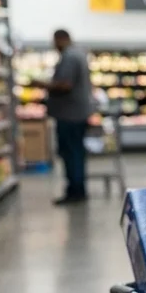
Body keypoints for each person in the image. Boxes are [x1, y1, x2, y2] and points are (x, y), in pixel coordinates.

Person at [47, 28, 93, 205]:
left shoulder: (70, 56)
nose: (53, 45)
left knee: (71, 153)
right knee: (76, 152)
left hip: (70, 115)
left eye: (54, 41)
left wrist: (44, 85)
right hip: (76, 113)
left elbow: (65, 85)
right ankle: (78, 189)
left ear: (61, 39)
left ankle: (75, 191)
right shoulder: (78, 54)